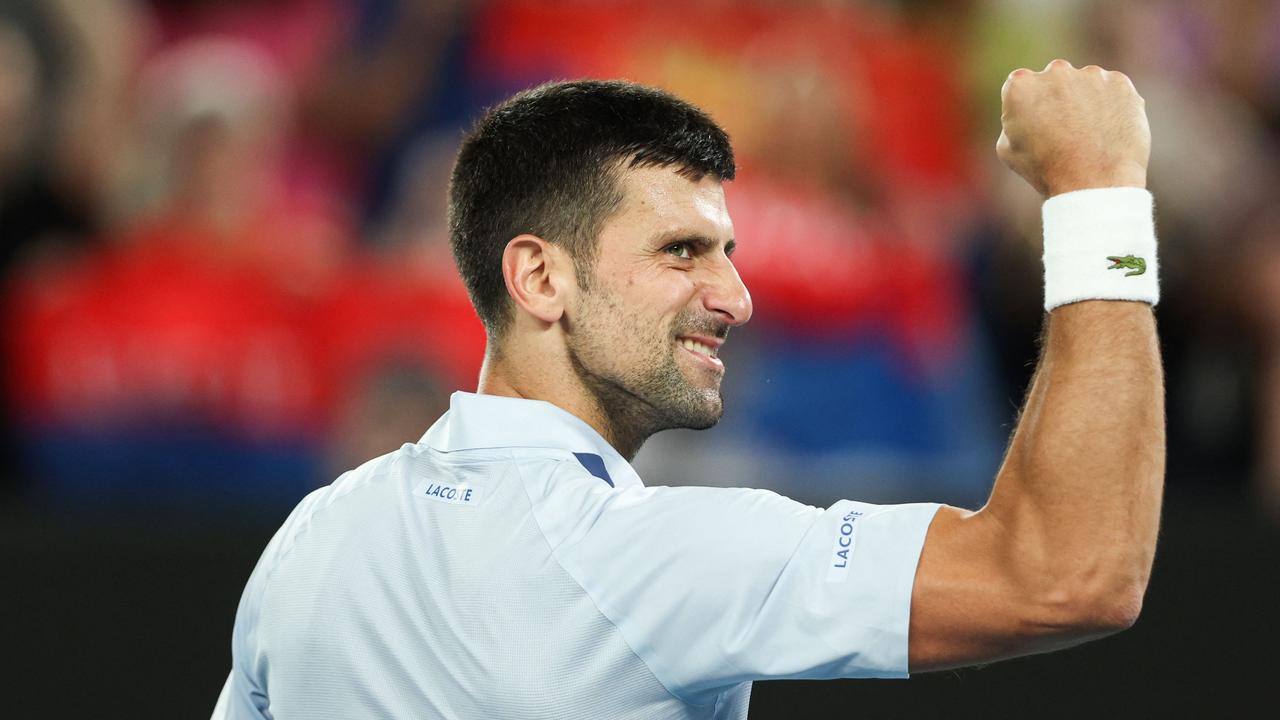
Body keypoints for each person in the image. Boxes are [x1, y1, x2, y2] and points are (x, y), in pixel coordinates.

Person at [213, 61, 1164, 719]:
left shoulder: (312, 540)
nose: (737, 298)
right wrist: (1099, 193)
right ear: (540, 278)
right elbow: (1069, 571)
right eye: (682, 251)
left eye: (728, 253)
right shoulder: (649, 561)